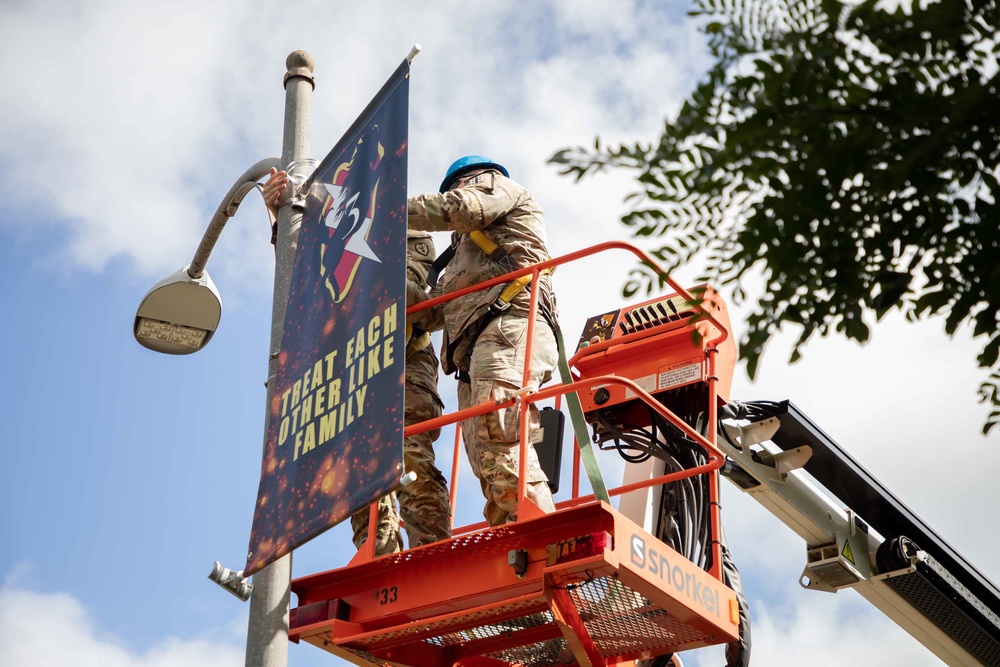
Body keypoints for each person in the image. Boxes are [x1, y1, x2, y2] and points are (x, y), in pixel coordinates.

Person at [261, 168, 452, 555]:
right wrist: (282, 218)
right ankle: (377, 558)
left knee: (409, 460)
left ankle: (431, 554)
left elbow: (418, 303)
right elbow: (302, 281)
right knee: (359, 472)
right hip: (349, 365)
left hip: (404, 362)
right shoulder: (327, 236)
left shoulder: (407, 231)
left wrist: (373, 271)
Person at [405, 155, 558, 526]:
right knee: (488, 464)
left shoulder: (498, 187)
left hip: (509, 326)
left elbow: (458, 209)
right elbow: (437, 311)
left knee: (501, 440)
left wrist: (379, 211)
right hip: (475, 355)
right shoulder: (462, 254)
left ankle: (542, 534)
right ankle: (515, 546)